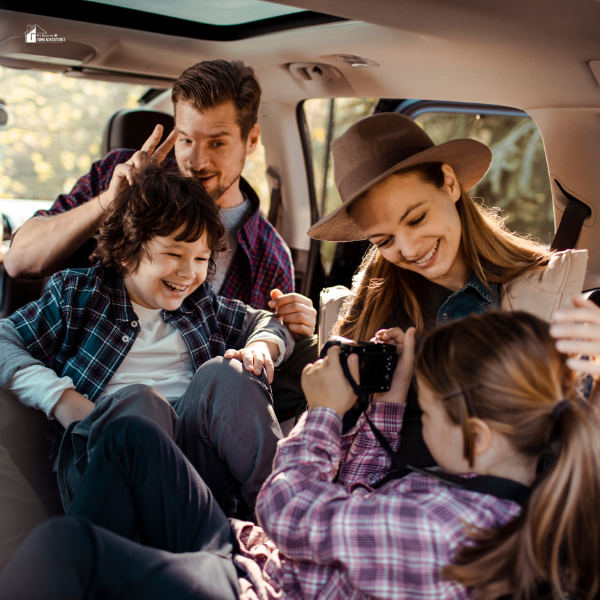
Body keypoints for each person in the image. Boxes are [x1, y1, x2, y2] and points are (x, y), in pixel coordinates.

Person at [2, 301, 599, 599]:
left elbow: (287, 514)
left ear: (476, 437)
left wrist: (323, 412)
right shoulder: (484, 490)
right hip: (264, 561)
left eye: (431, 408)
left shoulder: (446, 531)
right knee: (134, 435)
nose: (425, 417)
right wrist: (388, 404)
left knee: (62, 546)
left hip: (264, 587)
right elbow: (363, 495)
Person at [0, 164, 295, 526]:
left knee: (229, 373)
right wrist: (59, 398)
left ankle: (290, 517)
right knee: (142, 403)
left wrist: (263, 346)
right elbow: (3, 338)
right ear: (127, 250)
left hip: (192, 475)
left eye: (201, 259)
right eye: (173, 254)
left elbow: (267, 321)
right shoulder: (77, 295)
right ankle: (160, 553)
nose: (189, 274)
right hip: (110, 473)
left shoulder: (201, 305)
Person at [308, 112, 587, 472]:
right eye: (385, 240)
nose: (408, 249)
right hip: (381, 509)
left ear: (449, 183)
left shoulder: (544, 290)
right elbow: (341, 444)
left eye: (416, 218)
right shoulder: (374, 302)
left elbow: (568, 440)